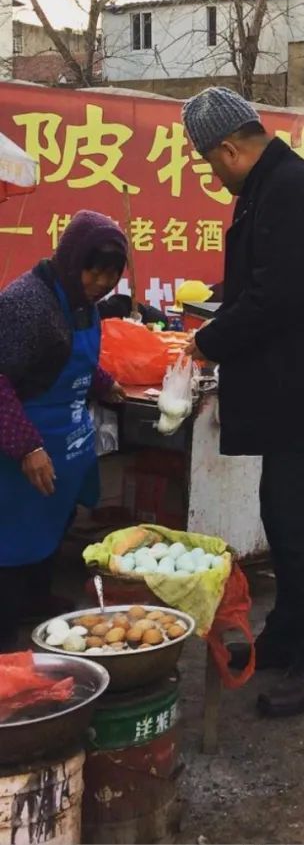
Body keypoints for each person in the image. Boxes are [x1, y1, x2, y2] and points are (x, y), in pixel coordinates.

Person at [181, 87, 304, 719]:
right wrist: (217, 304)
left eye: (210, 164)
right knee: (284, 516)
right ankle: (291, 633)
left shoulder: (286, 189)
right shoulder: (272, 185)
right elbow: (259, 280)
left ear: (228, 149)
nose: (215, 177)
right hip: (295, 393)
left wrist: (210, 341)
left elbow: (277, 296)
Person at [0, 211, 128, 649]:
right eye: (94, 271)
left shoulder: (80, 301)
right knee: (11, 538)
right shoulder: (26, 304)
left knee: (54, 522)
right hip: (20, 445)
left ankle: (35, 599)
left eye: (111, 274)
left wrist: (104, 383)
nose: (101, 283)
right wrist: (26, 446)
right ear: (73, 260)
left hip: (67, 442)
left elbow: (64, 357)